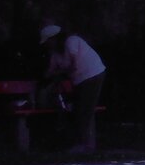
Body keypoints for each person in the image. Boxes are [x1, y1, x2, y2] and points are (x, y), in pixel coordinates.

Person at [40, 23, 106, 153]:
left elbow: (73, 66)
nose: (48, 45)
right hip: (79, 80)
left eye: (48, 41)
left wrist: (58, 73)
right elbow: (51, 71)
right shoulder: (55, 54)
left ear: (54, 38)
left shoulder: (72, 41)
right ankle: (77, 142)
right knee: (74, 108)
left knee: (84, 109)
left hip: (92, 75)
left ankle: (84, 144)